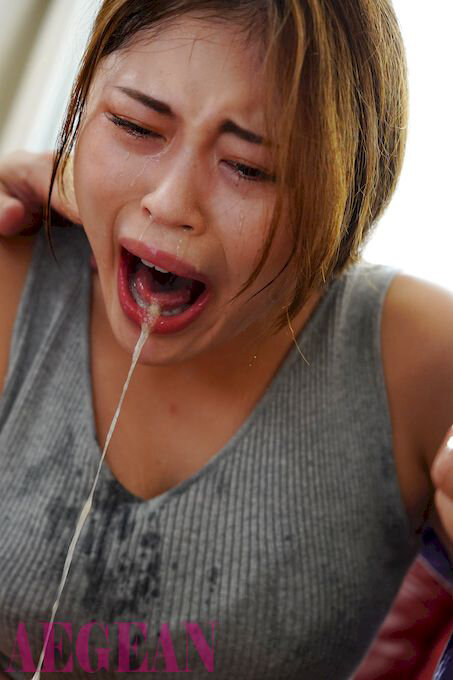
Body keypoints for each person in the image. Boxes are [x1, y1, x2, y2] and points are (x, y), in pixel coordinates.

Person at [0, 1, 452, 678]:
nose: (170, 202)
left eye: (248, 167)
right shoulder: (14, 273)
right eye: (134, 126)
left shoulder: (414, 360)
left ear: (350, 192)